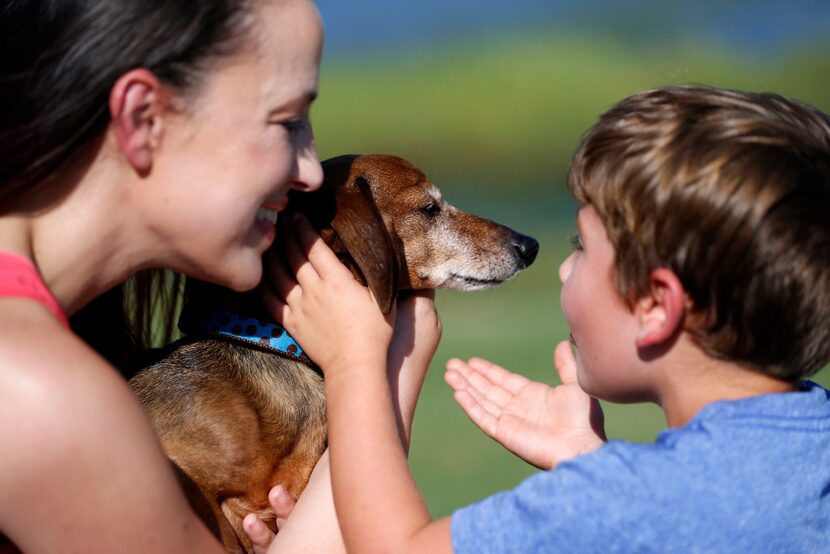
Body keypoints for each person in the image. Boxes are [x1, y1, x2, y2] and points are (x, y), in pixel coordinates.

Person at [267, 85, 830, 552]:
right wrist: (592, 460)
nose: (562, 270)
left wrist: (360, 360)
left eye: (579, 246)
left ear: (656, 306)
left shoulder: (618, 502)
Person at [0, 1, 400, 552]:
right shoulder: (39, 390)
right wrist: (377, 373)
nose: (310, 171)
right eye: (285, 123)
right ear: (142, 118)